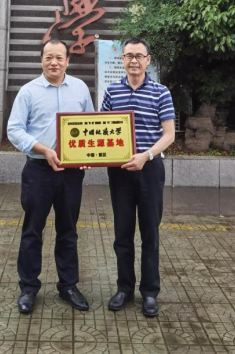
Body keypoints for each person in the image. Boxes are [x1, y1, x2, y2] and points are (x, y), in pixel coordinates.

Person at [7, 39, 94, 314]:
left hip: (71, 173)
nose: (54, 62)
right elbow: (14, 130)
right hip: (38, 171)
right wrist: (43, 149)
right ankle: (28, 288)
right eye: (48, 57)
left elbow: (90, 124)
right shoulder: (28, 92)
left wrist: (89, 155)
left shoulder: (80, 88)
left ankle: (68, 286)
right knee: (32, 230)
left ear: (68, 61)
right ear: (41, 60)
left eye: (59, 57)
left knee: (68, 230)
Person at [101, 37, 175, 317]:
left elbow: (169, 135)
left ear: (148, 60)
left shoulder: (161, 92)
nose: (134, 60)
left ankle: (150, 292)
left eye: (139, 56)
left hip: (150, 169)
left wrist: (146, 155)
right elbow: (102, 129)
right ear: (122, 60)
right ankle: (124, 288)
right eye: (129, 55)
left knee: (150, 233)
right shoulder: (112, 92)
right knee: (122, 232)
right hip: (120, 171)